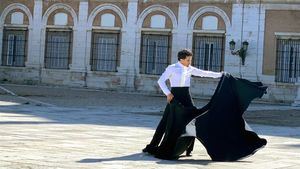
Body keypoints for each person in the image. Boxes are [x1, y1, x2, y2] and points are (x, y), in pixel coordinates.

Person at [143, 48, 222, 157]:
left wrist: (220, 75)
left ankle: (189, 148)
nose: (190, 62)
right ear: (181, 59)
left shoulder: (189, 69)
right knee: (165, 122)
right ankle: (152, 146)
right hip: (174, 96)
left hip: (186, 96)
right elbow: (160, 81)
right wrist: (168, 94)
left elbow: (204, 73)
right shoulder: (172, 68)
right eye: (188, 60)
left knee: (193, 119)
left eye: (190, 60)